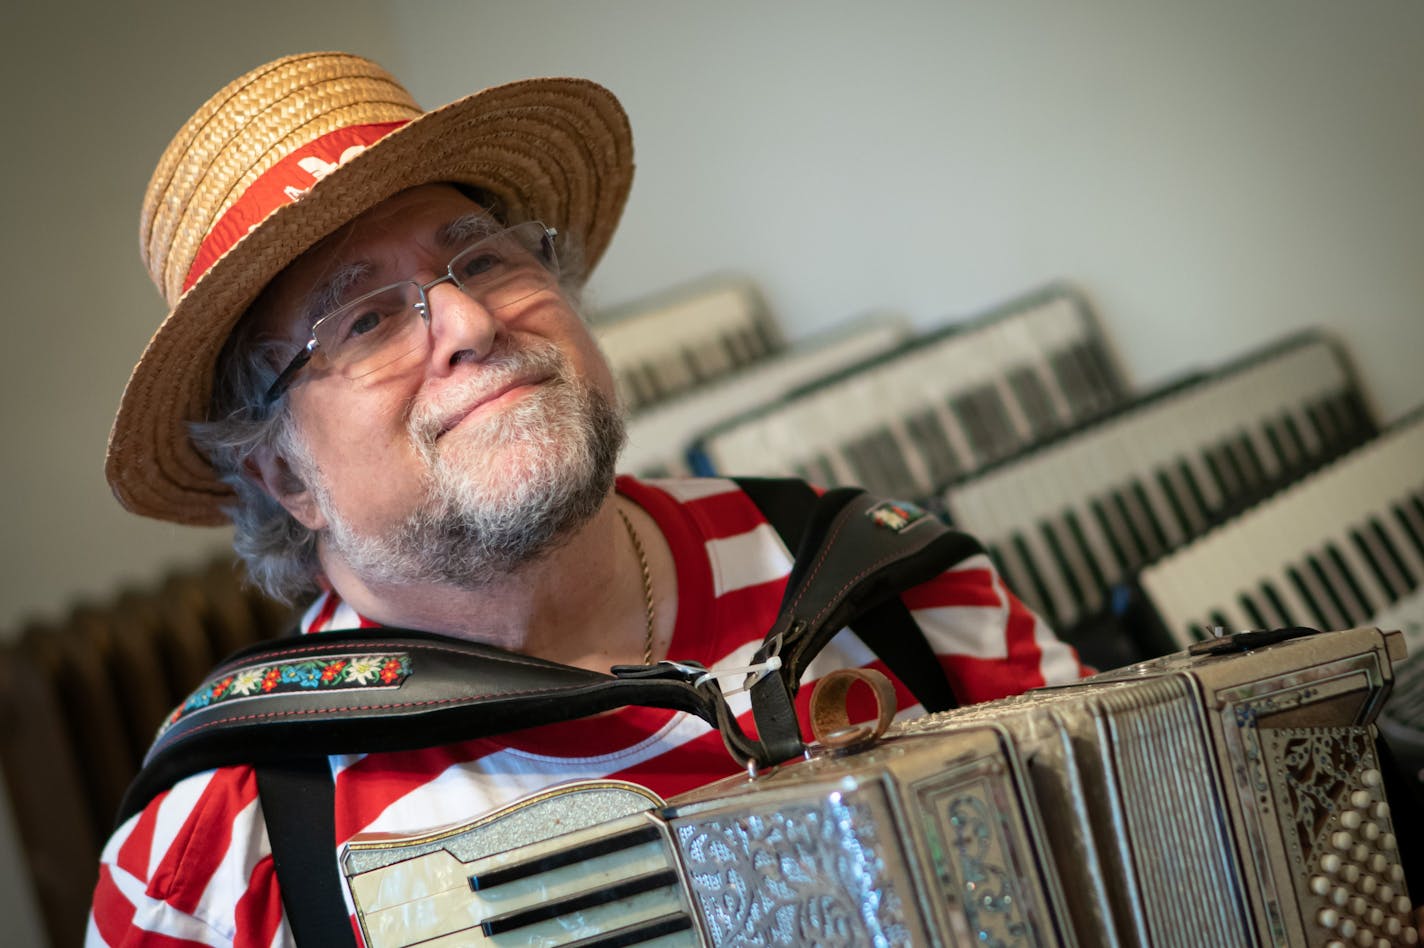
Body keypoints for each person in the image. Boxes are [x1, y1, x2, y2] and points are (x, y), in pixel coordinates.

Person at [88, 52, 1085, 947]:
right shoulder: (214, 857)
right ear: (283, 476)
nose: (471, 320)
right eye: (362, 320)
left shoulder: (889, 588)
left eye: (480, 258)